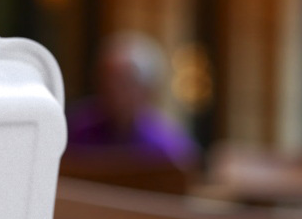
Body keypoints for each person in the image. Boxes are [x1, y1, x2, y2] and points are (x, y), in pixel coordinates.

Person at [65, 32, 200, 168]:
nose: (111, 89)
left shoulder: (169, 148)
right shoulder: (76, 130)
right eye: (104, 79)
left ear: (147, 88)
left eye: (122, 82)